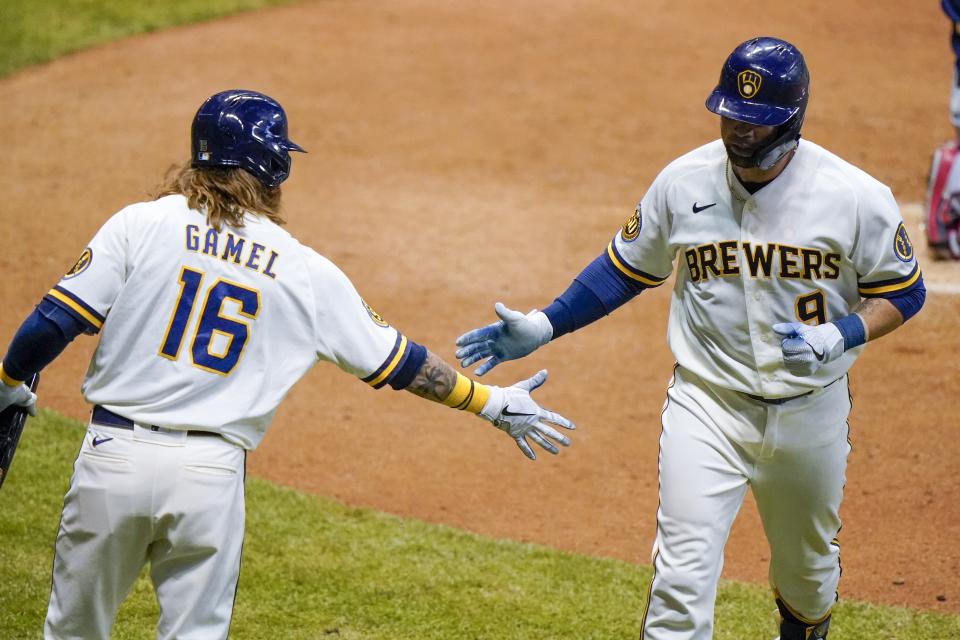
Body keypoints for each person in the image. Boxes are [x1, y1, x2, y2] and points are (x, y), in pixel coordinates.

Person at [0, 89, 574, 640]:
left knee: (71, 632)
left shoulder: (140, 224)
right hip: (209, 476)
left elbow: (52, 323)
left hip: (112, 459)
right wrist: (493, 403)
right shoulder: (302, 269)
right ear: (276, 171)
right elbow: (402, 363)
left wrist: (6, 384)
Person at [455, 37, 925, 640]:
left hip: (812, 412)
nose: (738, 130)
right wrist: (545, 324)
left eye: (754, 122)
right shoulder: (684, 181)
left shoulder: (855, 197)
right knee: (680, 584)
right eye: (730, 114)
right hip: (707, 406)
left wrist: (843, 333)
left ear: (791, 118)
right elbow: (624, 267)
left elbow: (904, 291)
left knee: (808, 578)